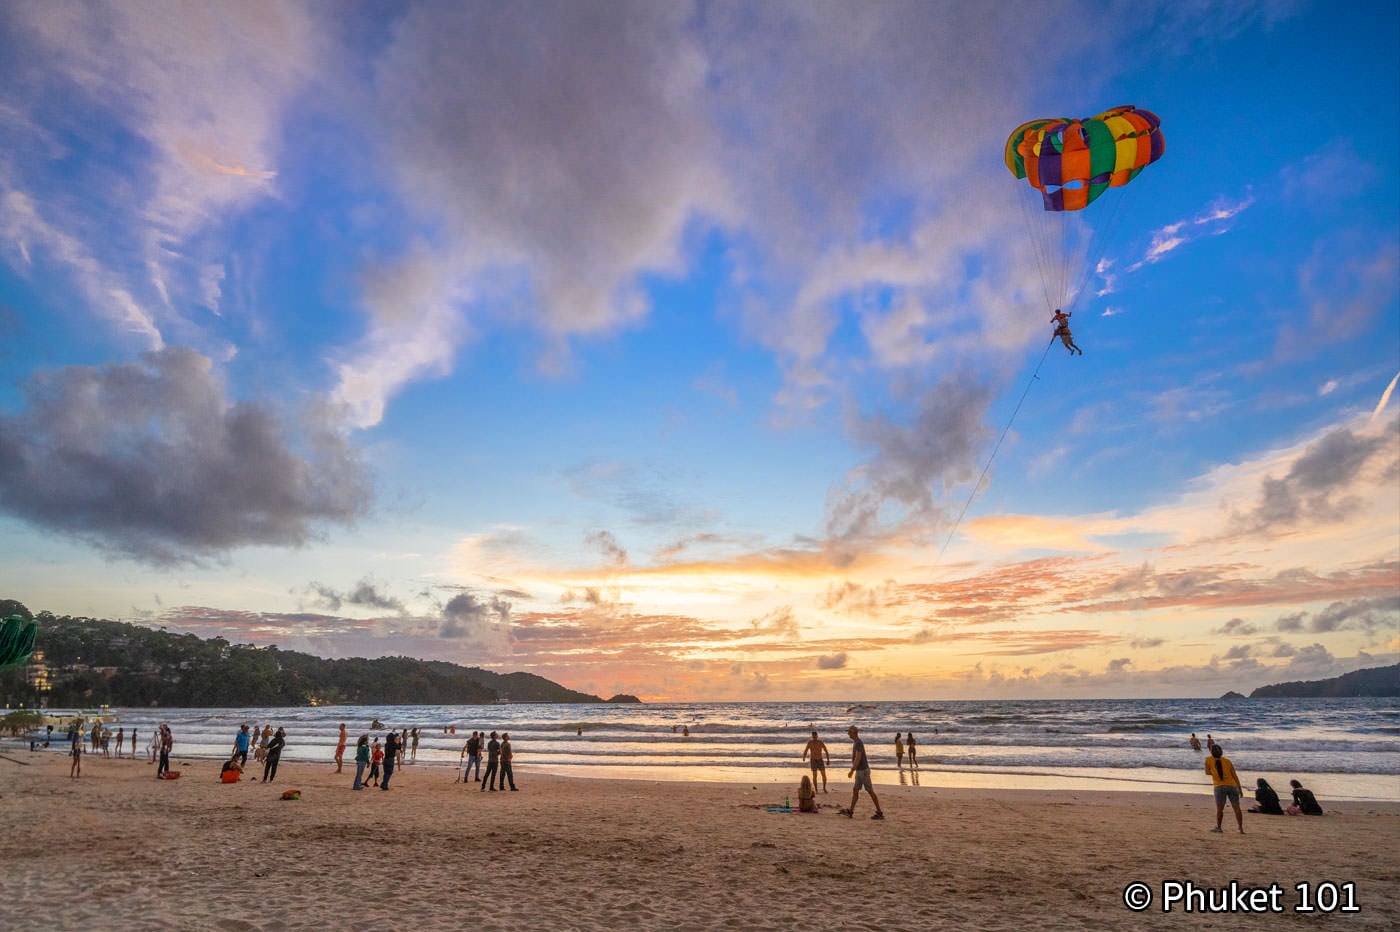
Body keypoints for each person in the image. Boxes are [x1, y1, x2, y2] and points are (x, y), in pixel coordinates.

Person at [845, 726, 884, 820]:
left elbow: (858, 758)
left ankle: (879, 812)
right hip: (860, 771)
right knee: (855, 790)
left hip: (862, 771)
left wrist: (851, 770)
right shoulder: (856, 742)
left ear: (854, 733)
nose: (848, 734)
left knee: (870, 791)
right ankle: (851, 811)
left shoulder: (858, 743)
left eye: (849, 732)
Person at [1205, 744, 1244, 834]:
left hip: (1219, 787)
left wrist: (1215, 773)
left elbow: (1207, 772)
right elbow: (1235, 776)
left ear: (1211, 752)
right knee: (1237, 808)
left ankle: (1219, 827)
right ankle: (1240, 828)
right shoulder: (1228, 761)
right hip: (1232, 786)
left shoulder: (1208, 760)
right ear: (1221, 752)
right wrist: (1240, 789)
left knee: (1220, 809)